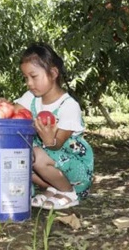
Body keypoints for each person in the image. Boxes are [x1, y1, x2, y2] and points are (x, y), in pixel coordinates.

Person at [10, 42, 93, 210]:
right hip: (49, 166)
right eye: (26, 78)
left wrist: (49, 141)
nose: (29, 83)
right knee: (17, 157)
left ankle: (69, 193)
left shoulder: (68, 106)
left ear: (53, 73)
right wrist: (2, 107)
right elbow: (11, 114)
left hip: (76, 173)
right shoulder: (30, 98)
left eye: (34, 76)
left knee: (36, 156)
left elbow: (58, 145)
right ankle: (53, 189)